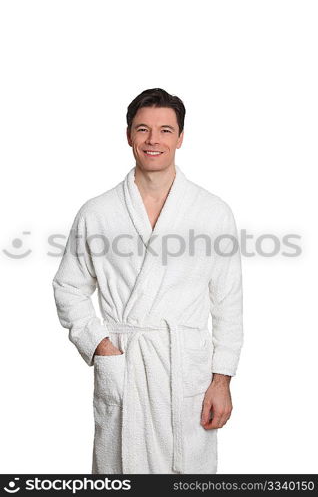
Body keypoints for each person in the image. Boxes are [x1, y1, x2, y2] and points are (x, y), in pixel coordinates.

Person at [52, 87, 244, 474]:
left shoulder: (211, 212)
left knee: (188, 474)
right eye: (143, 129)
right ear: (128, 136)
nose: (153, 140)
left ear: (180, 137)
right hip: (125, 363)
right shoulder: (98, 212)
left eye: (165, 130)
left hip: (185, 371)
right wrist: (100, 346)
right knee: (120, 471)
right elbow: (68, 287)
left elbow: (228, 302)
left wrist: (221, 379)